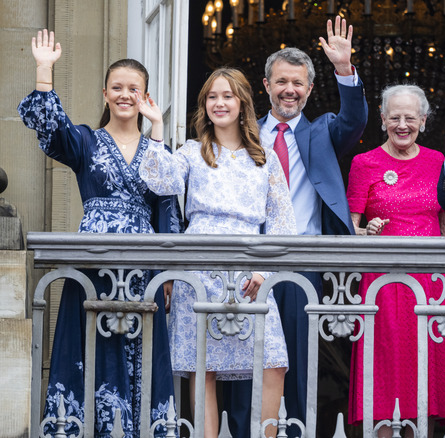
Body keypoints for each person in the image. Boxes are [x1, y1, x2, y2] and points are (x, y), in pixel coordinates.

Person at [18, 30, 181, 437]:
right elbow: (51, 131)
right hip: (94, 261)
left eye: (135, 89)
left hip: (143, 266)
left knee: (141, 351)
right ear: (105, 93)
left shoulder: (156, 147)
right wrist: (43, 71)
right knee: (90, 345)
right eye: (118, 88)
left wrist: (167, 270)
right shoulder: (87, 141)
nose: (126, 95)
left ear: (146, 98)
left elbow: (166, 203)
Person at [223, 16, 369, 437]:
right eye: (281, 81)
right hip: (247, 260)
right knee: (241, 357)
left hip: (301, 261)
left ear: (308, 89)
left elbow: (355, 120)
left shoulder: (322, 131)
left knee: (298, 361)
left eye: (298, 83)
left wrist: (345, 68)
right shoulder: (244, 134)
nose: (290, 89)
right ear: (266, 86)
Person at [139, 67, 296, 438]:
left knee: (274, 362)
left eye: (227, 96)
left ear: (242, 103)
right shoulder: (193, 151)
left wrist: (264, 273)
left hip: (250, 271)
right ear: (204, 105)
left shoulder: (265, 157)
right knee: (201, 366)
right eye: (212, 97)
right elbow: (160, 181)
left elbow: (282, 221)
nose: (219, 103)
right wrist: (157, 129)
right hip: (201, 267)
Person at [346, 85, 445, 436]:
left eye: (410, 118)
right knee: (386, 371)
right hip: (384, 285)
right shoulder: (364, 163)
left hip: (432, 284)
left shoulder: (437, 161)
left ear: (424, 121)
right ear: (383, 119)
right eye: (395, 117)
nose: (403, 124)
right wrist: (365, 233)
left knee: (429, 372)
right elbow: (348, 230)